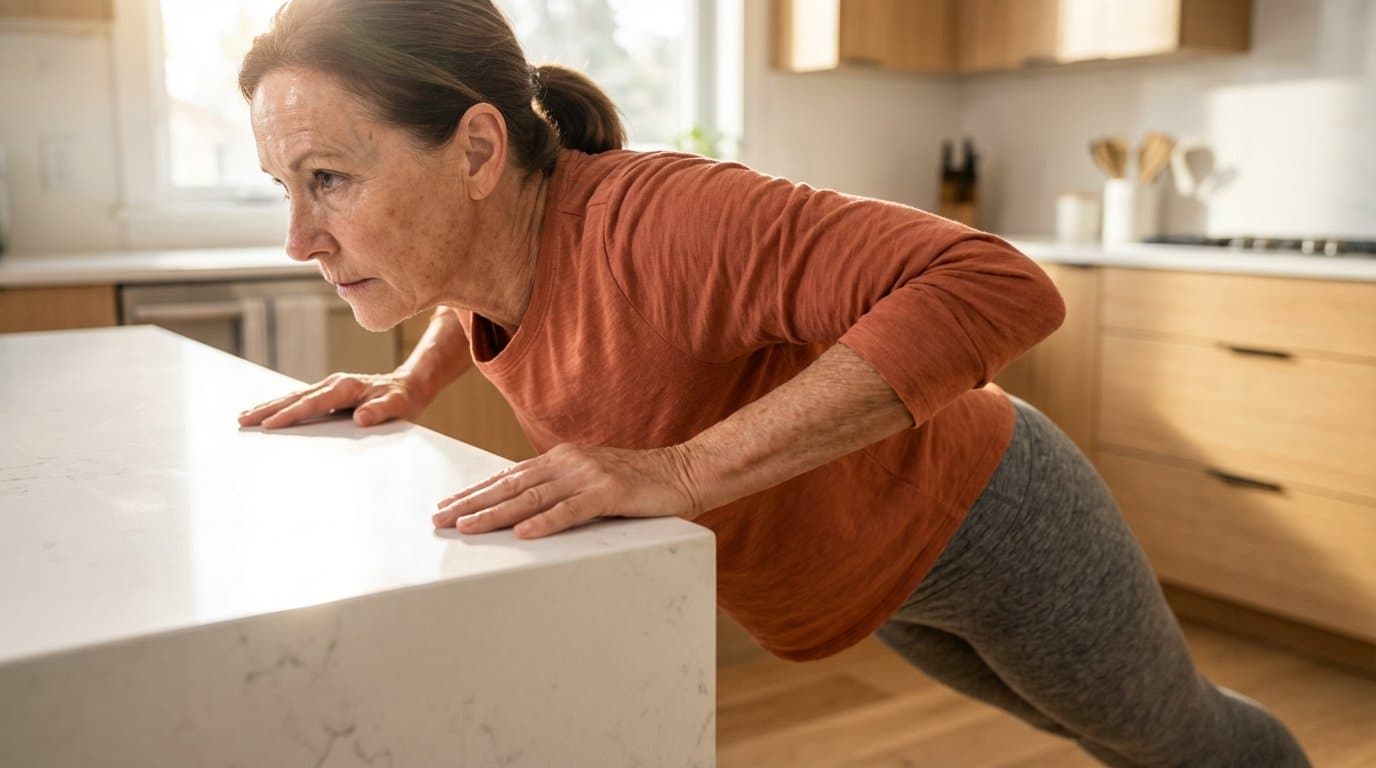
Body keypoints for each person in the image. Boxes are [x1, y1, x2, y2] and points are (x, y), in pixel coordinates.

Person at [234, 1, 1311, 765]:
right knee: (1099, 738)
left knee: (1177, 743)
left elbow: (996, 283)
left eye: (328, 178)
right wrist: (414, 377)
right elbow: (482, 296)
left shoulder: (658, 222)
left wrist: (683, 468)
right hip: (873, 572)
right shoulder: (497, 237)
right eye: (283, 185)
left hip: (992, 520)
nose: (296, 237)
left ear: (476, 149)